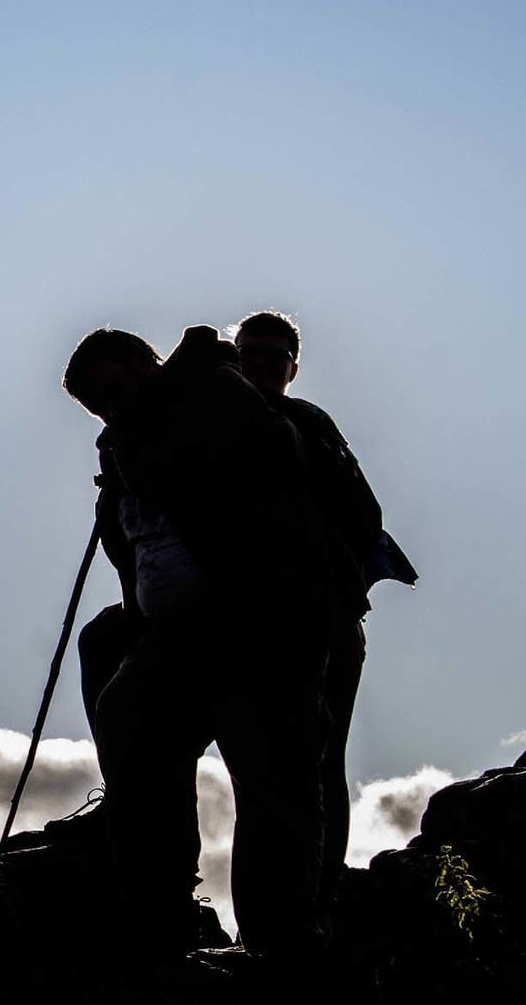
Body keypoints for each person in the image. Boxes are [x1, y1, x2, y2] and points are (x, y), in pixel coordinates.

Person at [64, 325, 331, 956]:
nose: (110, 407)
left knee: (271, 774)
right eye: (97, 405)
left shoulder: (211, 391)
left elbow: (270, 461)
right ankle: (165, 915)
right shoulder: (134, 435)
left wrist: (145, 442)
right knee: (134, 720)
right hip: (187, 627)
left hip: (256, 617)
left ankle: (278, 942)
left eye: (114, 389)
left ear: (143, 364)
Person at [230, 310, 418, 898]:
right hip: (246, 617)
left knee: (317, 756)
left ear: (293, 365)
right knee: (264, 765)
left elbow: (365, 516)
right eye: (248, 351)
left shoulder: (308, 423)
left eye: (271, 353)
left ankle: (319, 893)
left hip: (324, 615)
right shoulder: (217, 421)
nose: (258, 362)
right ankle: (285, 905)